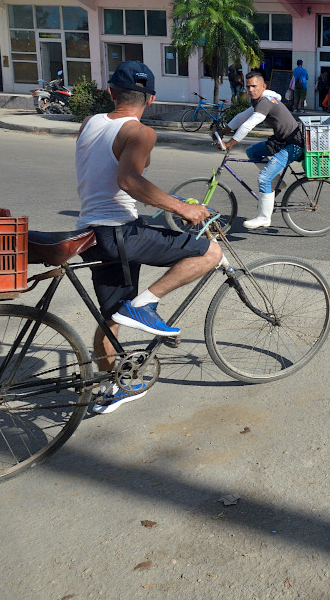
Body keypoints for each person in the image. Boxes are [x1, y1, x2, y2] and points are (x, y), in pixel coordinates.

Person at [75, 63, 222, 413]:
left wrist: (166, 203)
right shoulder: (140, 132)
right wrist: (182, 208)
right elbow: (128, 180)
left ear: (110, 92)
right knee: (211, 252)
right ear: (151, 99)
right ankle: (146, 305)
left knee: (113, 321)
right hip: (118, 233)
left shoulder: (90, 123)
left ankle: (113, 387)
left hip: (92, 234)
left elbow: (108, 174)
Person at [218, 70, 307, 228]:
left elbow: (249, 124)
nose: (250, 90)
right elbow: (241, 117)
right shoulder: (260, 101)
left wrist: (229, 144)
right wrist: (222, 132)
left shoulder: (265, 102)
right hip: (282, 142)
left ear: (263, 86)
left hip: (293, 145)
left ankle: (265, 217)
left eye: (254, 86)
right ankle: (276, 183)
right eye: (248, 87)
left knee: (263, 178)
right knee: (252, 152)